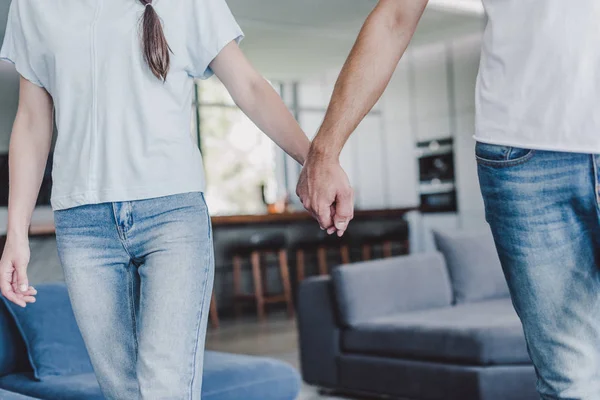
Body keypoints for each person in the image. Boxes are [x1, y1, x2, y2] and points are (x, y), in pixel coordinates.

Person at [0, 0, 310, 398]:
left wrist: (313, 160)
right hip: (82, 226)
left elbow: (249, 85)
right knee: (122, 392)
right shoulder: (35, 5)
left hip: (172, 217)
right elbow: (31, 119)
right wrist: (16, 235)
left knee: (165, 387)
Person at [296, 0, 600, 398]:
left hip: (521, 154)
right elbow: (394, 17)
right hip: (521, 152)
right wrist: (324, 150)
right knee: (569, 379)